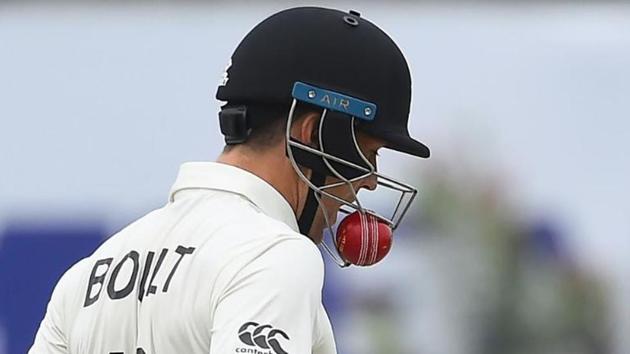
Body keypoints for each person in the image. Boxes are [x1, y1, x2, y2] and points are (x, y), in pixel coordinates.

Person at [29, 6, 430, 354]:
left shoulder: (87, 276)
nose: (371, 181)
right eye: (369, 153)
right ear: (312, 134)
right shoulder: (274, 254)